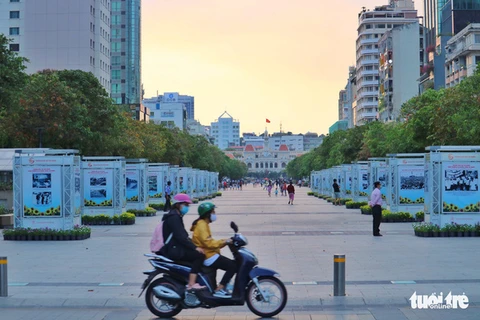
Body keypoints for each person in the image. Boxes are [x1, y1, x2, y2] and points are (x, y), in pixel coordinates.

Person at [160, 194, 206, 289]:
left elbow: (183, 236)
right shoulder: (174, 217)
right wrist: (195, 247)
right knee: (200, 255)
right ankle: (192, 283)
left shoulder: (175, 215)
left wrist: (193, 244)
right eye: (185, 205)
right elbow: (181, 237)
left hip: (175, 247)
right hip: (175, 250)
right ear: (178, 204)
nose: (187, 207)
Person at [191, 202, 236, 298]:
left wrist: (224, 242)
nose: (214, 214)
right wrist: (225, 241)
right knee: (233, 266)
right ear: (207, 214)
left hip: (210, 253)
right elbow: (208, 243)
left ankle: (219, 287)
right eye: (213, 212)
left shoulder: (203, 224)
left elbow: (210, 242)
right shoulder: (201, 225)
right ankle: (220, 289)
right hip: (208, 255)